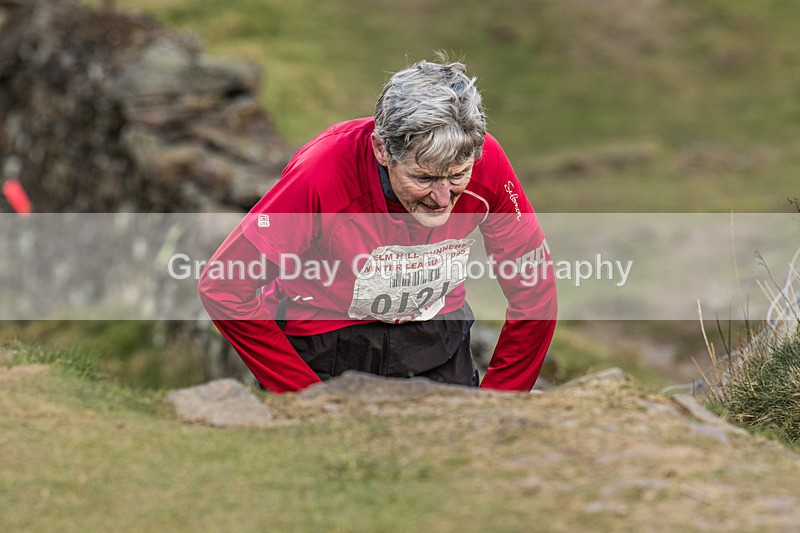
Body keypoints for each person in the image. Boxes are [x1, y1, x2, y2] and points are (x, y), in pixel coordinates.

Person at [198, 57, 557, 393]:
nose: (443, 198)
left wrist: (501, 399)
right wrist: (303, 394)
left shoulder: (486, 161)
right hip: (326, 346)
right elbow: (224, 285)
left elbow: (534, 286)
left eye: (458, 175)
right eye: (424, 177)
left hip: (440, 341)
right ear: (382, 150)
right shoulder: (320, 174)